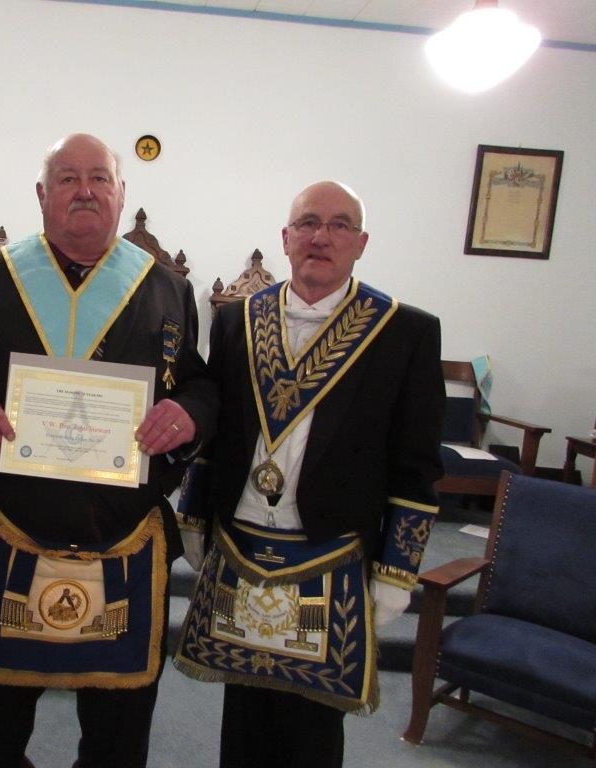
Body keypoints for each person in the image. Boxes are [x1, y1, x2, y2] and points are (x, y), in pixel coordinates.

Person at [0, 133, 218, 768]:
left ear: (122, 194)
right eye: (66, 178)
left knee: (118, 739)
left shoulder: (167, 286)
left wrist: (189, 412)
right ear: (41, 194)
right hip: (12, 523)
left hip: (125, 534)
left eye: (99, 178)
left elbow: (198, 382)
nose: (84, 190)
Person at [174, 181, 445, 767]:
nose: (322, 236)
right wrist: (194, 516)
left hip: (332, 551)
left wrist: (398, 569)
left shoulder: (404, 331)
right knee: (243, 711)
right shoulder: (236, 320)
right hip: (243, 545)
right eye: (308, 223)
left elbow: (417, 465)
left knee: (314, 727)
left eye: (340, 225)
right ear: (286, 236)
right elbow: (216, 435)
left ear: (361, 242)